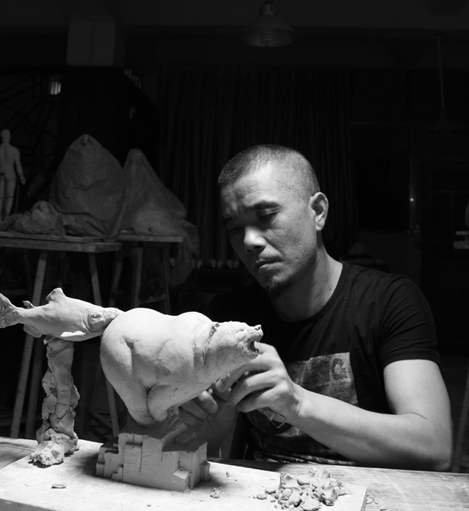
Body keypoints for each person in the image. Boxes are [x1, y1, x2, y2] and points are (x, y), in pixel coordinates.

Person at [179, 145, 453, 470]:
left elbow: (434, 446)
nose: (249, 241)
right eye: (235, 228)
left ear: (318, 212)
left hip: (370, 493)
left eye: (265, 217)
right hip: (265, 495)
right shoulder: (229, 318)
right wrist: (206, 428)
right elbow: (188, 452)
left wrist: (297, 403)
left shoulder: (389, 301)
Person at [0, 129, 26, 219]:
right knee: (9, 196)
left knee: (0, 197)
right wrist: (21, 176)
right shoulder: (14, 150)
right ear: (9, 137)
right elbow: (18, 165)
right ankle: (6, 217)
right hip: (10, 173)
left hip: (0, 173)